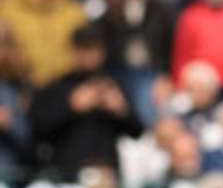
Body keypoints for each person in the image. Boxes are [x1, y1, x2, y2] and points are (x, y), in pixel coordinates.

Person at [29, 24, 143, 177]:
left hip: (106, 172)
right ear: (73, 51)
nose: (89, 56)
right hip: (67, 173)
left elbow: (137, 132)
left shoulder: (113, 85)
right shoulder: (58, 87)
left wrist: (121, 110)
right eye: (84, 49)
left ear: (103, 52)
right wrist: (70, 107)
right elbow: (38, 128)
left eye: (93, 49)